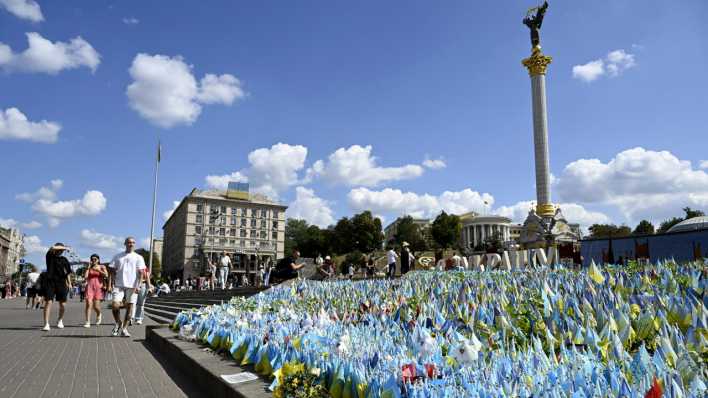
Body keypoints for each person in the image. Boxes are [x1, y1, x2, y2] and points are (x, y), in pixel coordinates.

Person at [108, 237, 146, 337]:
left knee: (130, 309)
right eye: (129, 242)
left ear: (135, 244)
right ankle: (118, 323)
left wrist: (139, 285)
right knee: (115, 305)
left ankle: (124, 329)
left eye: (133, 242)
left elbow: (141, 273)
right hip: (119, 284)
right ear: (125, 243)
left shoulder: (139, 257)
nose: (131, 244)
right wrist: (110, 284)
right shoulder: (118, 256)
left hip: (133, 286)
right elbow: (111, 270)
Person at [42, 243, 72, 331]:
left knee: (63, 305)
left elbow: (68, 273)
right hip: (50, 281)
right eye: (60, 249)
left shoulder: (64, 259)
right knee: (48, 302)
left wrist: (69, 283)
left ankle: (60, 320)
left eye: (62, 250)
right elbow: (52, 247)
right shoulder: (50, 255)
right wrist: (66, 247)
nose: (61, 251)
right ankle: (46, 323)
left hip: (62, 282)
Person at [83, 254, 108, 328]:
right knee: (88, 304)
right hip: (89, 287)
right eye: (92, 259)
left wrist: (99, 270)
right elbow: (85, 277)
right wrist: (88, 268)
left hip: (98, 287)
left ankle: (99, 314)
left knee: (96, 306)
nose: (93, 261)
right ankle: (87, 322)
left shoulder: (102, 267)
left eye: (95, 259)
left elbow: (106, 275)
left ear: (98, 260)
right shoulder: (89, 268)